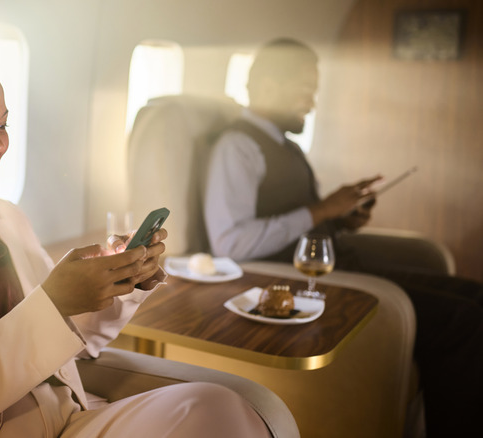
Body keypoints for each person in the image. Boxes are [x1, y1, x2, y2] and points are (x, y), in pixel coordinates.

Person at [0, 36, 270, 438]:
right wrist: (54, 304)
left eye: (3, 124)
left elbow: (70, 343)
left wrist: (118, 283)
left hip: (67, 419)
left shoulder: (5, 218)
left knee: (217, 407)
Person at [203, 37, 483, 436]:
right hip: (299, 282)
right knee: (465, 320)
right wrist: (322, 209)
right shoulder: (237, 146)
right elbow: (230, 244)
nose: (311, 103)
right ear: (266, 86)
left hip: (337, 265)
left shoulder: (287, 147)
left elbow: (300, 219)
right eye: (305, 90)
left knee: (475, 294)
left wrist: (341, 219)